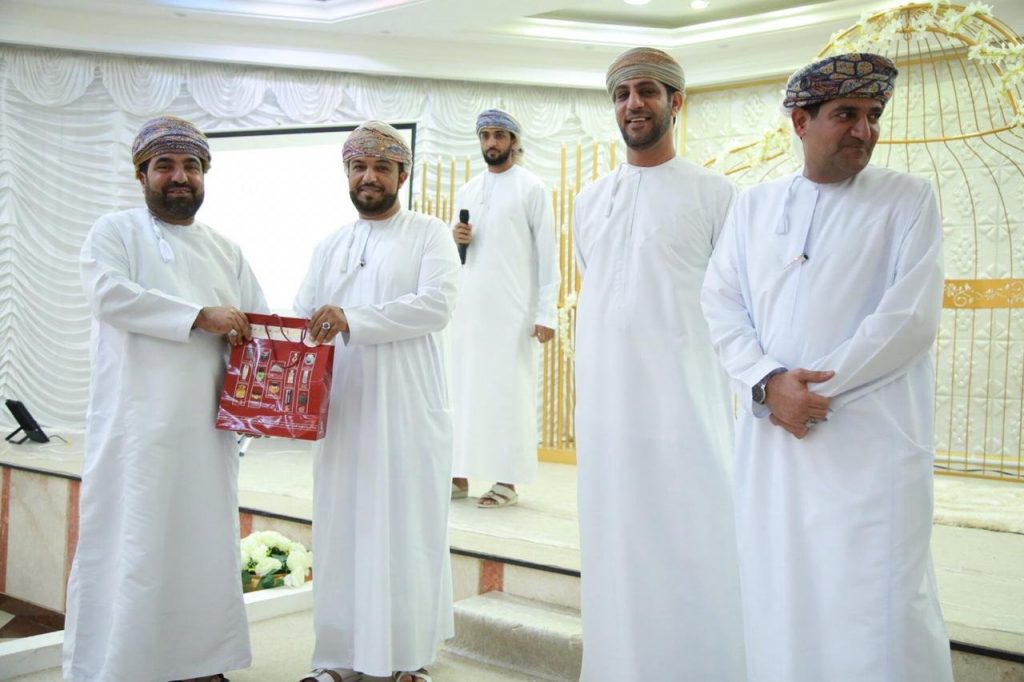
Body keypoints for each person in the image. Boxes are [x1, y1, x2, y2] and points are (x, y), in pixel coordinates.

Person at [701, 53, 953, 682]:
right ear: (800, 122)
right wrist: (768, 382)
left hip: (870, 441)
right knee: (780, 588)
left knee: (876, 598)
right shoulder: (754, 207)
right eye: (846, 115)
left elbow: (908, 319)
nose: (865, 130)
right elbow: (721, 302)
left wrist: (809, 393)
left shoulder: (907, 200)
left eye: (874, 115)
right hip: (773, 441)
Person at [65, 115, 267, 682]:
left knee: (203, 546)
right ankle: (125, 666)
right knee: (136, 543)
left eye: (192, 166)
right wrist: (199, 316)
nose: (180, 176)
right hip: (137, 429)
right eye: (165, 166)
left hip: (207, 430)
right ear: (141, 175)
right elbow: (109, 295)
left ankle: (202, 663)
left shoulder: (226, 249)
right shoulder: (114, 232)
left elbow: (258, 323)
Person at [571, 47, 746, 680]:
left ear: (676, 101)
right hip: (608, 413)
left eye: (647, 91)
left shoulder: (716, 194)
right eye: (622, 94)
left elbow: (735, 303)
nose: (633, 104)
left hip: (685, 409)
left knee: (693, 540)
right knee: (616, 546)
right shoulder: (591, 199)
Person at [293, 121, 460, 682]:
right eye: (359, 167)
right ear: (346, 174)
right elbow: (303, 313)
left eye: (382, 167)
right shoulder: (329, 245)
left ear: (402, 175)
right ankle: (337, 659)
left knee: (406, 530)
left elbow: (436, 305)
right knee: (341, 529)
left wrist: (352, 319)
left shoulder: (429, 234)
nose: (369, 177)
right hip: (343, 409)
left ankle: (407, 660)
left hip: (407, 407)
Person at [449, 108, 559, 508]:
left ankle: (506, 481)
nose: (491, 143)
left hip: (512, 311)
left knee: (507, 394)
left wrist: (546, 313)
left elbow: (547, 254)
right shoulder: (468, 189)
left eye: (498, 135)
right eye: (485, 136)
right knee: (462, 390)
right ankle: (458, 474)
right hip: (468, 310)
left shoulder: (532, 188)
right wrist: (456, 238)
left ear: (513, 141)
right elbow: (457, 256)